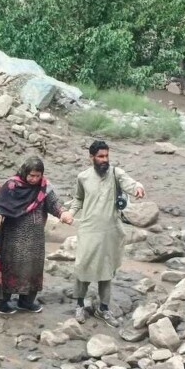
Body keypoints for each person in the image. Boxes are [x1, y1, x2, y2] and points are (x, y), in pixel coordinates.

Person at [0, 158, 74, 315]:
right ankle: (0, 302)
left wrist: (63, 213)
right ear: (24, 172)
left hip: (35, 240)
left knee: (33, 270)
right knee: (10, 268)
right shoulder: (12, 185)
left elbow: (54, 204)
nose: (34, 179)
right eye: (31, 175)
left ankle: (26, 302)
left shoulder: (44, 187)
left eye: (38, 176)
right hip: (13, 238)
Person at [68, 140, 145, 326]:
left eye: (106, 156)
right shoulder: (83, 177)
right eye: (100, 156)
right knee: (83, 266)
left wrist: (137, 187)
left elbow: (129, 182)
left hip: (111, 230)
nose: (104, 160)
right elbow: (78, 198)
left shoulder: (115, 173)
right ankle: (80, 305)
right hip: (89, 229)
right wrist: (70, 213)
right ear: (91, 157)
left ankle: (103, 308)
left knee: (106, 269)